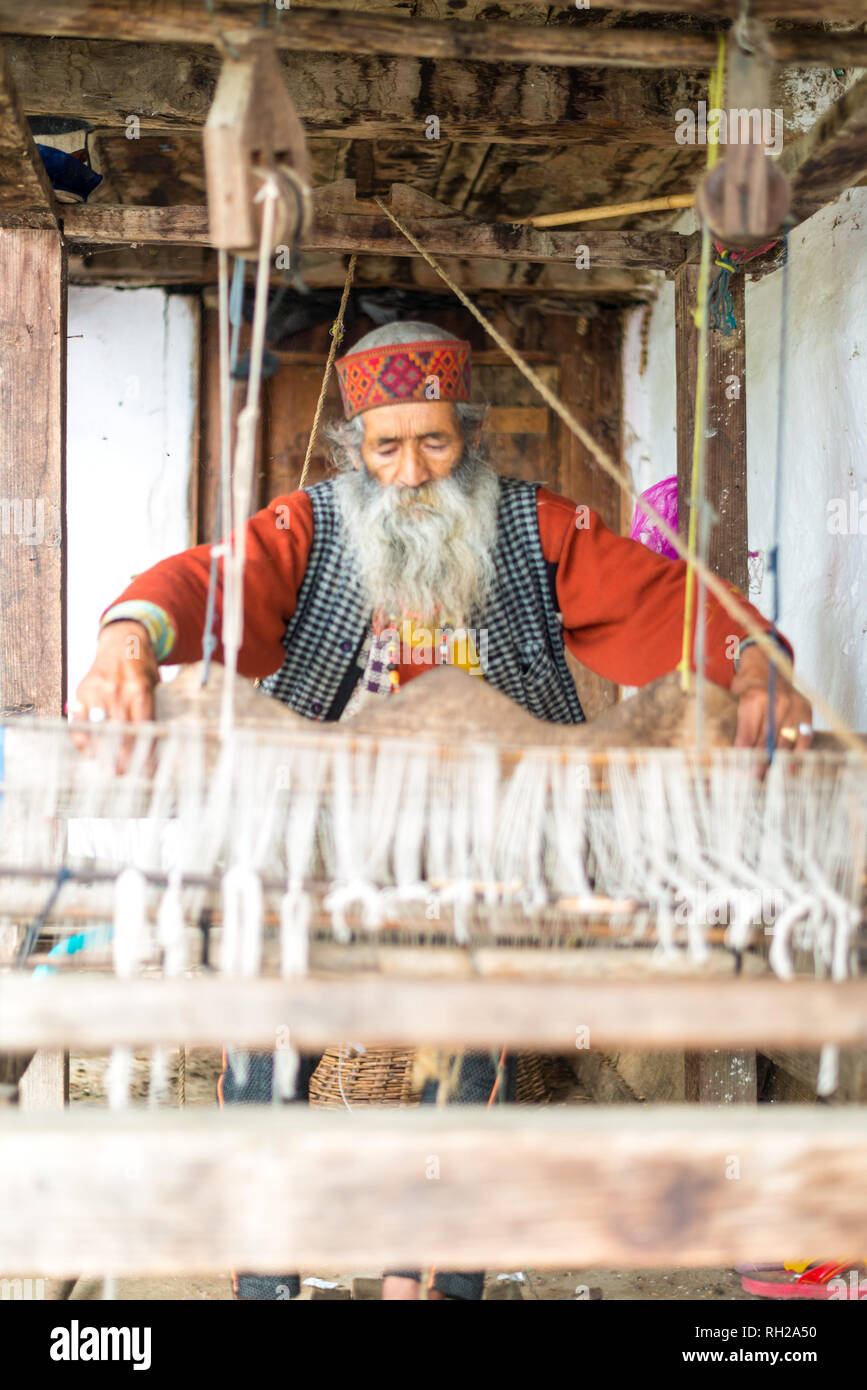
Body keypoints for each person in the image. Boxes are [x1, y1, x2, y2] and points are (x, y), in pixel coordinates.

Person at [72, 321, 812, 1300]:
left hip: (481, 834)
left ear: (471, 434)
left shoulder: (534, 527)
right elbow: (211, 580)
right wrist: (129, 635)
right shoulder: (313, 526)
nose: (412, 473)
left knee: (461, 1042)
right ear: (355, 448)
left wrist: (755, 663)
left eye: (436, 444)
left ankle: (429, 1280)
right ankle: (268, 1276)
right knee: (269, 1031)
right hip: (322, 832)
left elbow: (664, 602)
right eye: (387, 446)